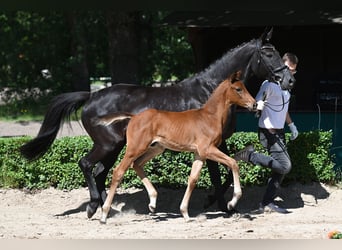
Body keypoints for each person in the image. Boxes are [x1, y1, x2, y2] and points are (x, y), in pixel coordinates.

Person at [234, 52, 299, 214]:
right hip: (268, 131)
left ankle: (266, 203)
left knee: (280, 171)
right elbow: (255, 104)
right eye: (290, 70)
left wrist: (292, 126)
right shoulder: (268, 85)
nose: (291, 74)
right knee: (286, 166)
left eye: (294, 71)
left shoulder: (286, 87)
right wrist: (259, 104)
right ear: (282, 67)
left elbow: (284, 110)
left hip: (280, 131)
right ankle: (249, 156)